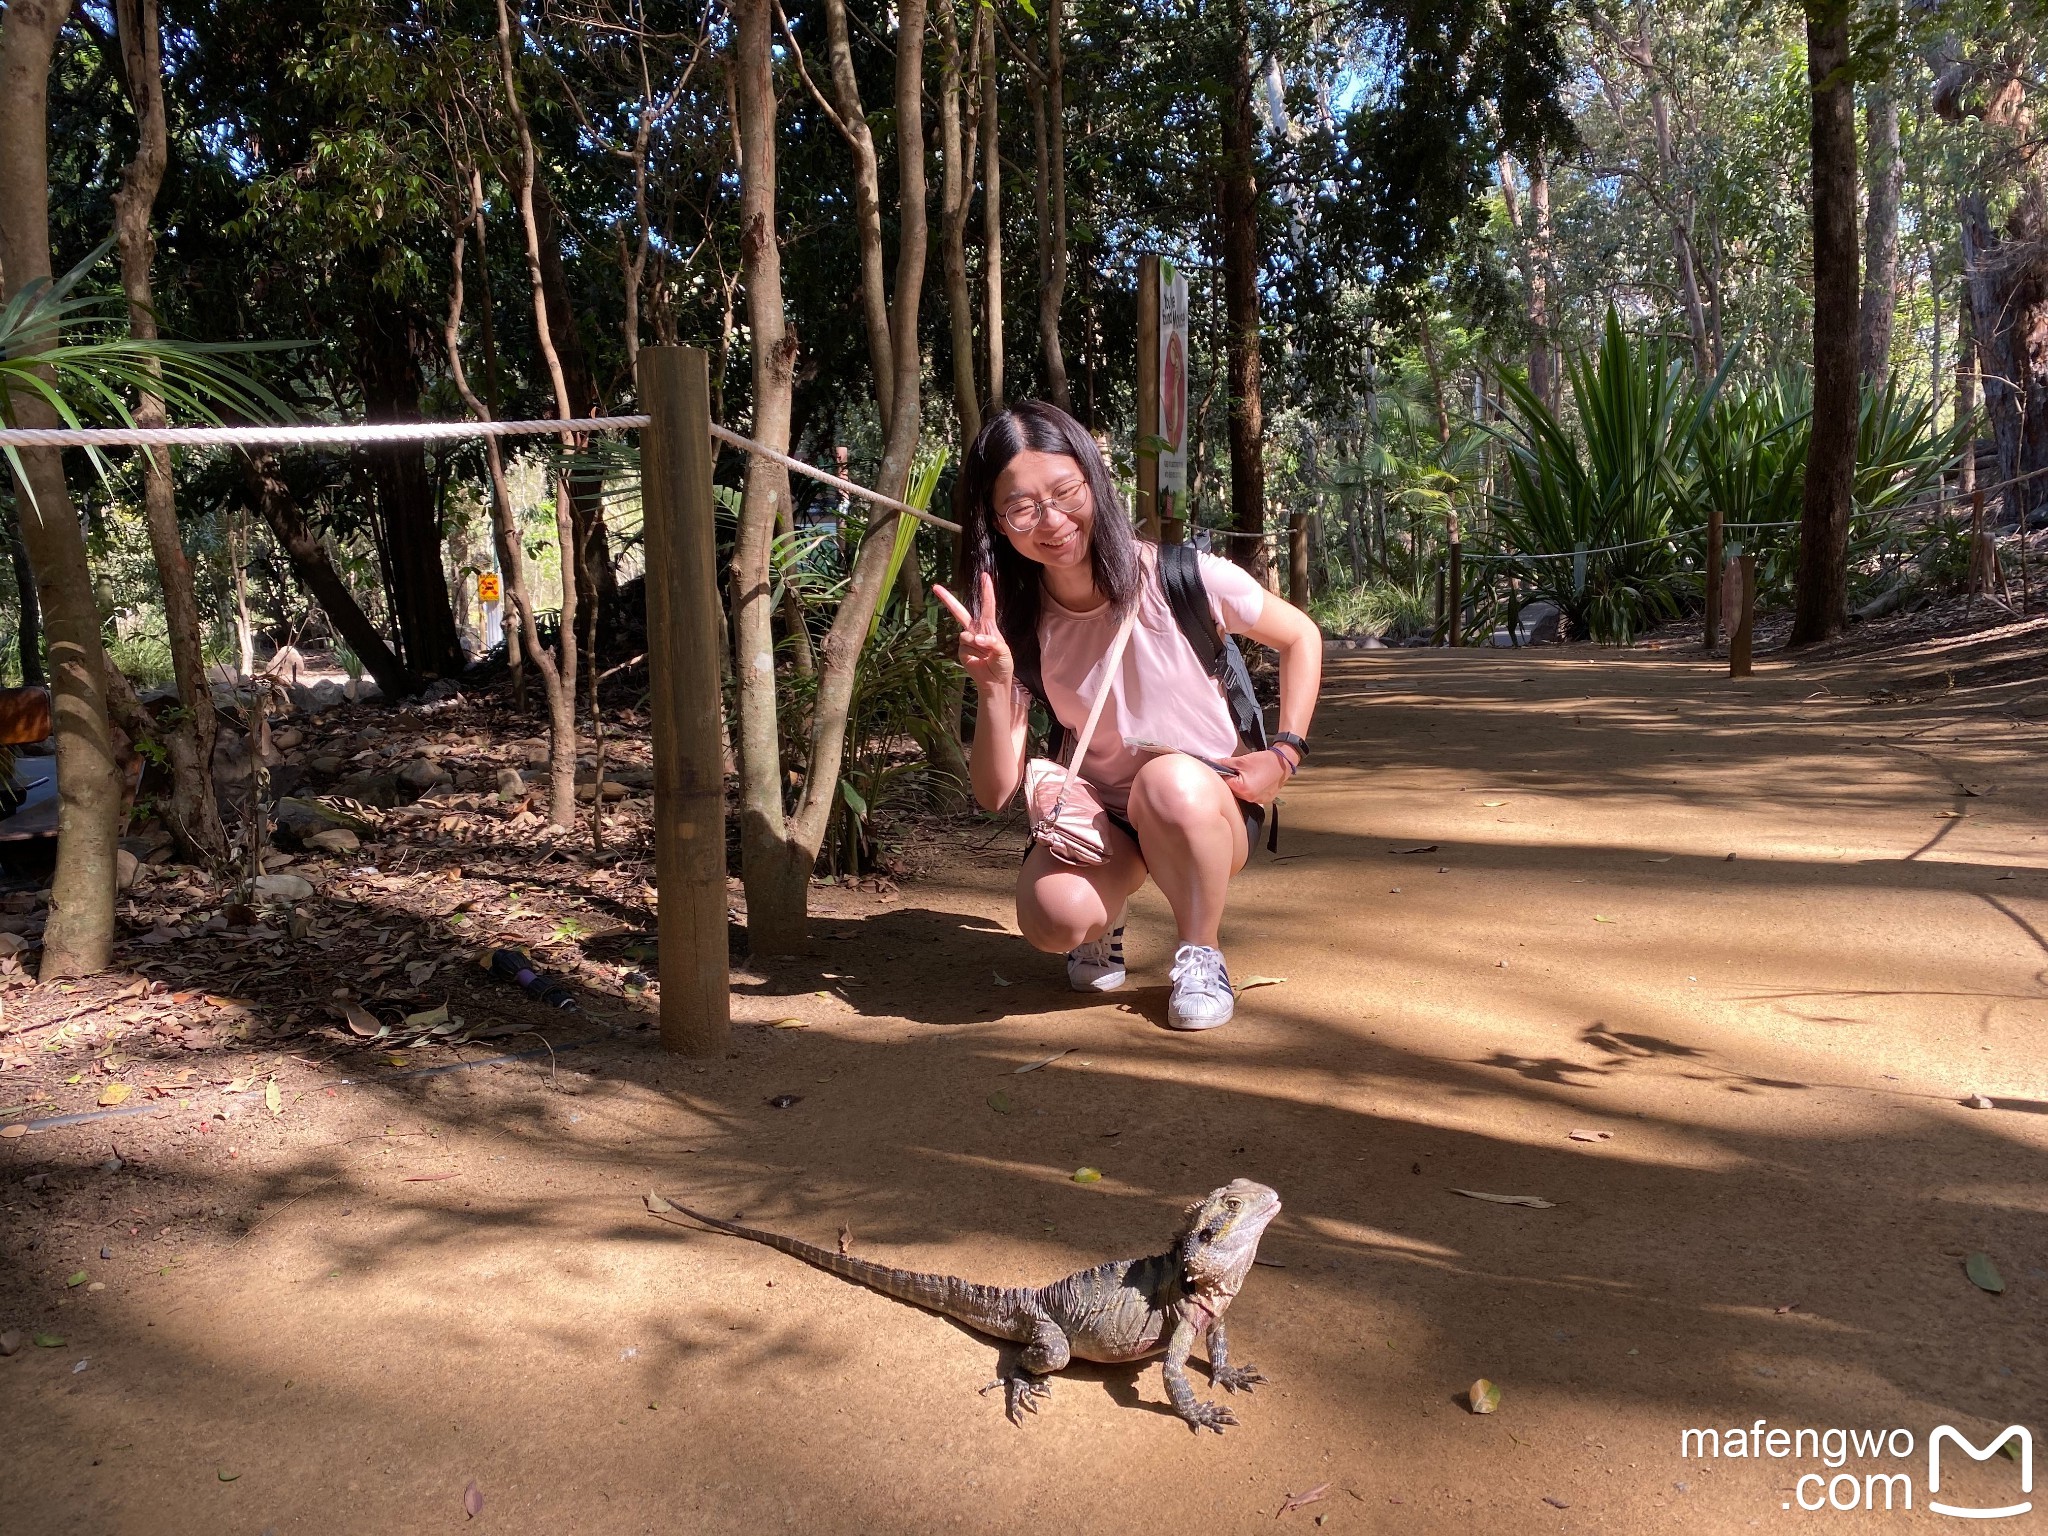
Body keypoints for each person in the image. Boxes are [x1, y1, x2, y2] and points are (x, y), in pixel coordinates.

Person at [932, 401, 1322, 1031]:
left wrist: (1285, 753)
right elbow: (994, 791)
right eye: (1022, 507)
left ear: (1094, 481)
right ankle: (1102, 919)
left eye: (1064, 492)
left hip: (1206, 803)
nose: (1051, 522)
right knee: (1052, 917)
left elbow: (1301, 636)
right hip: (1103, 817)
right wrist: (995, 686)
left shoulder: (1180, 576)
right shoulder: (1014, 621)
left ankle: (1200, 952)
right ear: (997, 522)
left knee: (1167, 780)